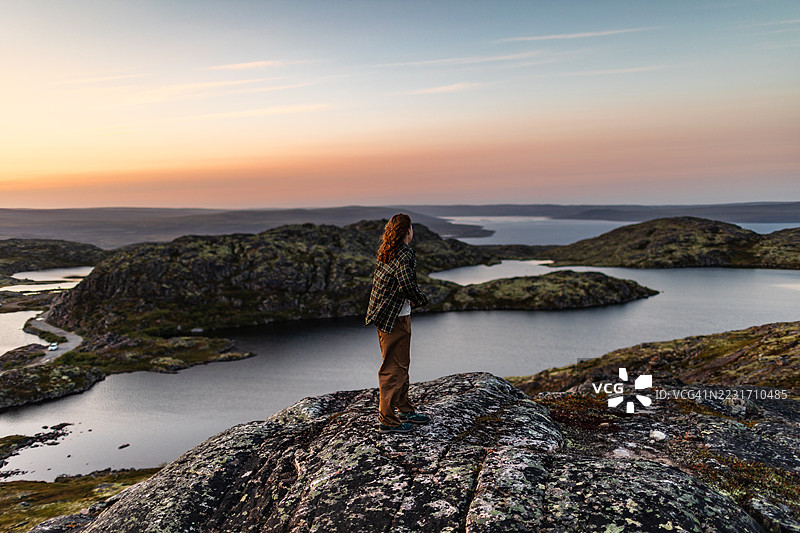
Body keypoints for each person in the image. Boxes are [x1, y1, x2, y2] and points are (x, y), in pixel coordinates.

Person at [365, 213, 431, 434]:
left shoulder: (388, 250)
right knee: (394, 368)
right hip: (395, 318)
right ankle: (388, 420)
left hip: (387, 315)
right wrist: (421, 299)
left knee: (400, 363)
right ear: (408, 231)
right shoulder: (403, 254)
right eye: (411, 228)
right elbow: (407, 284)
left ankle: (403, 407)